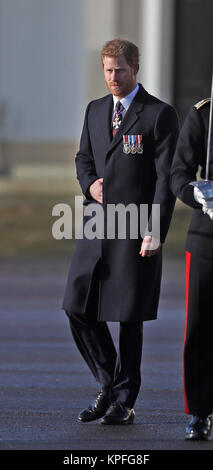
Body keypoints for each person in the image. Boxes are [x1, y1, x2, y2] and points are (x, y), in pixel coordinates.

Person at [62, 39, 179, 425]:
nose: (114, 78)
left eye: (121, 71)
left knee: (129, 317)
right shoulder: (95, 111)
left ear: (136, 69)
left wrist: (156, 230)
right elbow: (83, 158)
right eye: (109, 71)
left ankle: (123, 403)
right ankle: (111, 385)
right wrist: (89, 183)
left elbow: (165, 180)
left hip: (136, 228)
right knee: (77, 306)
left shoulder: (158, 115)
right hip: (97, 226)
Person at [170, 96, 213, 440]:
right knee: (199, 329)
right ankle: (200, 411)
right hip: (207, 236)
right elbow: (179, 174)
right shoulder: (203, 115)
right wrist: (197, 194)